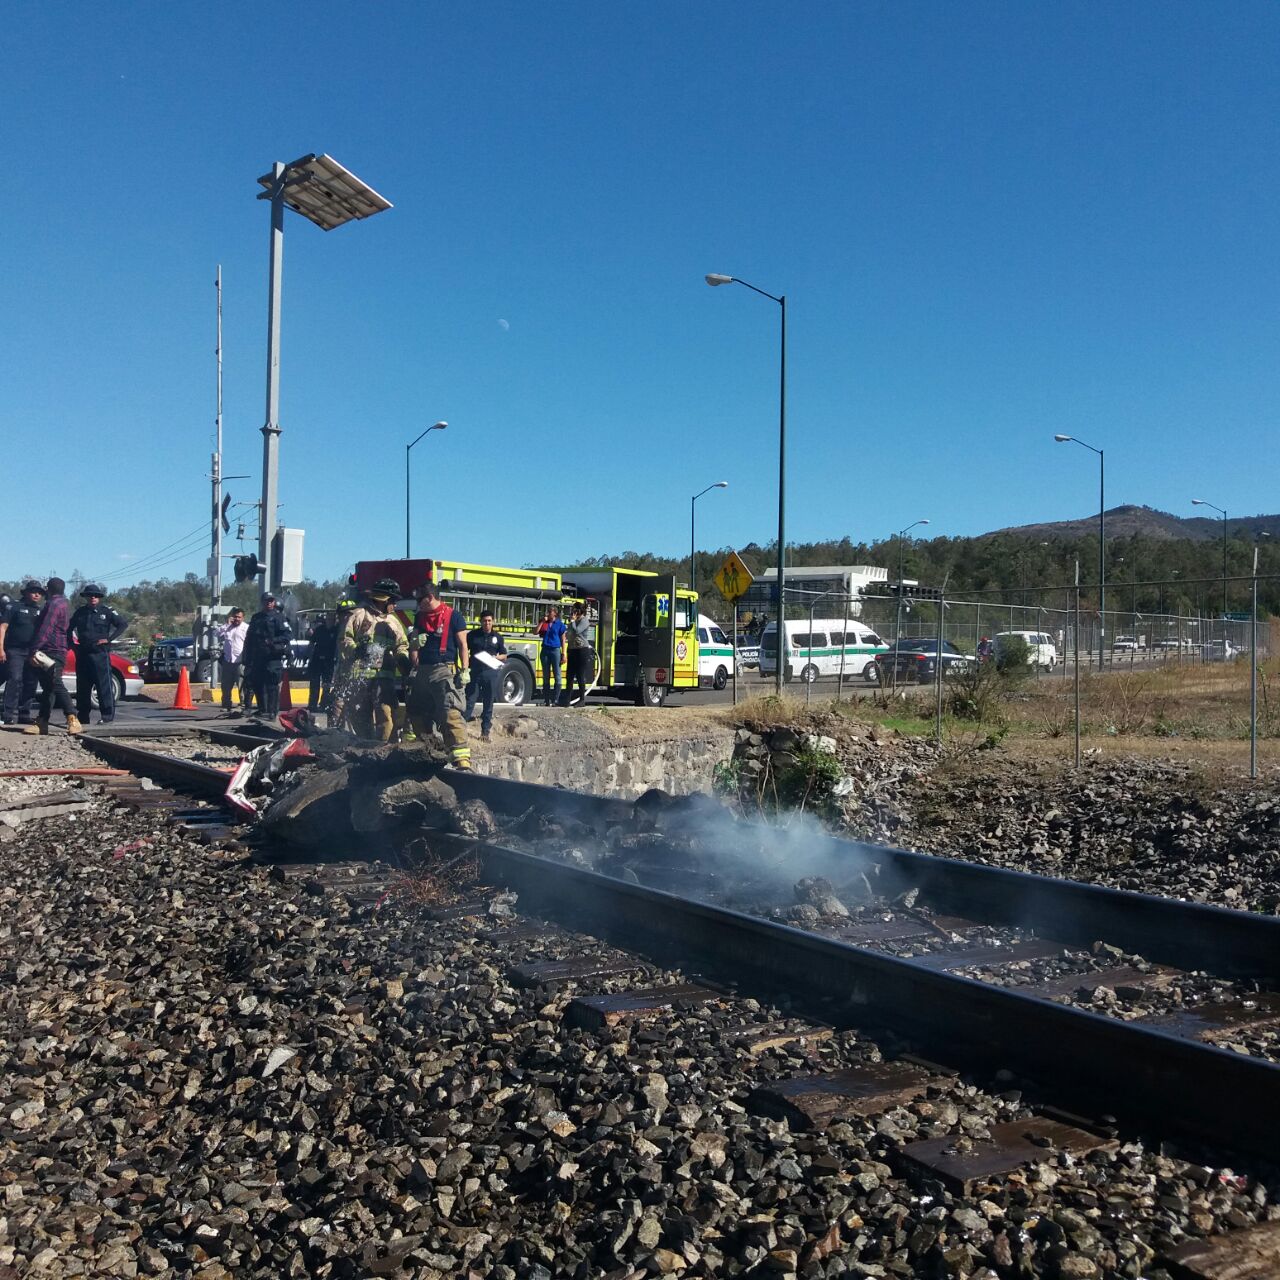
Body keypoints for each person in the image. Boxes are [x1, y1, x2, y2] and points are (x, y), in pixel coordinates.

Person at [407, 582, 471, 768]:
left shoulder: (454, 617)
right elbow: (413, 648)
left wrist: (465, 669)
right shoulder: (420, 617)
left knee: (449, 713)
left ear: (430, 597)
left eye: (420, 599)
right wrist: (415, 644)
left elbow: (463, 645)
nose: (418, 603)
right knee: (417, 713)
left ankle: (462, 761)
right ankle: (425, 753)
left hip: (444, 670)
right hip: (423, 670)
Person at [337, 580, 409, 741]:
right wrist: (355, 650)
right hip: (359, 678)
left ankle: (384, 751)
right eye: (393, 601)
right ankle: (366, 748)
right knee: (360, 717)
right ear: (382, 599)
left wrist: (403, 659)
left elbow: (401, 645)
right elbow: (344, 640)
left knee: (386, 715)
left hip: (384, 680)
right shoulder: (358, 615)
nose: (395, 605)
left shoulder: (393, 622)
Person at [23, 578, 79, 735]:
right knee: (48, 688)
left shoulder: (53, 605)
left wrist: (33, 650)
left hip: (52, 650)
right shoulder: (64, 603)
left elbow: (46, 629)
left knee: (55, 683)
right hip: (55, 649)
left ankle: (72, 716)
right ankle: (42, 721)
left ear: (48, 589)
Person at [68, 584, 128, 725]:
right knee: (82, 687)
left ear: (99, 597)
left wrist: (109, 639)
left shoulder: (106, 611)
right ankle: (83, 717)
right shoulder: (80, 612)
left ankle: (107, 716)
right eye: (90, 595)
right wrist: (72, 645)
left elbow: (122, 624)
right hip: (83, 653)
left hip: (100, 653)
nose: (93, 597)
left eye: (96, 595)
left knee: (103, 686)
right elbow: (68, 628)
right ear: (86, 597)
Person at [0, 581, 44, 726]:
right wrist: (1, 648)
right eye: (33, 591)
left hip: (32, 651)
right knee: (15, 679)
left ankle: (24, 714)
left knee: (30, 682)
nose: (36, 594)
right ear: (26, 592)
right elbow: (3, 627)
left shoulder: (39, 610)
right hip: (15, 650)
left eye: (39, 592)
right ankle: (8, 715)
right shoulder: (14, 606)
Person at [243, 593, 292, 720]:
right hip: (258, 656)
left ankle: (272, 712)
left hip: (272, 656)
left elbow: (287, 636)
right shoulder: (256, 618)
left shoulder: (279, 617)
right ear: (262, 602)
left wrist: (273, 641)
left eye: (271, 601)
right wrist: (247, 657)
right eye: (267, 601)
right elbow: (249, 638)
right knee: (257, 683)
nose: (269, 603)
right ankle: (261, 710)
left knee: (272, 685)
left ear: (274, 602)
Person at [464, 609, 506, 740]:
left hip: (490, 672)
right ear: (480, 622)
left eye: (489, 621)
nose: (487, 623)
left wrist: (495, 657)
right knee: (470, 700)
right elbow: (464, 649)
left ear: (493, 622)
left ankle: (485, 732)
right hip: (475, 672)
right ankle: (460, 729)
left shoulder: (498, 637)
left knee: (488, 702)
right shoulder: (472, 635)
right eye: (484, 621)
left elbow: (504, 655)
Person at [215, 607, 248, 711]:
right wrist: (227, 624)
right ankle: (226, 704)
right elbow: (216, 634)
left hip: (240, 661)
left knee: (241, 684)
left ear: (243, 618)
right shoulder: (227, 627)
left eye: (239, 617)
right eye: (235, 616)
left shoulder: (246, 628)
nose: (237, 619)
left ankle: (243, 705)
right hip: (228, 660)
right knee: (225, 685)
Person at [306, 612, 338, 711]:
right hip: (317, 659)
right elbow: (312, 643)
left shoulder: (337, 631)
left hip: (329, 660)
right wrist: (309, 657)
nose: (329, 620)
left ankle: (324, 704)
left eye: (331, 619)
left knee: (326, 684)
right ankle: (312, 705)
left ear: (334, 620)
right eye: (328, 618)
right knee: (314, 683)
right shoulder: (319, 630)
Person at [564, 602, 594, 707]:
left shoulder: (584, 620)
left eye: (575, 610)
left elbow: (577, 631)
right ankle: (566, 700)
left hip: (581, 650)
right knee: (569, 676)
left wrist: (572, 622)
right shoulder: (574, 621)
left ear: (579, 611)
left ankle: (582, 700)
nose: (573, 612)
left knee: (580, 675)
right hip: (572, 649)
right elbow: (568, 633)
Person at [538, 604, 567, 707]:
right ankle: (546, 700)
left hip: (555, 649)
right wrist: (542, 621)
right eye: (548, 611)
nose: (548, 613)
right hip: (545, 649)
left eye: (550, 611)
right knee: (546, 675)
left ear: (555, 613)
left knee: (557, 674)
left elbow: (563, 639)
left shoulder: (559, 624)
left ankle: (555, 700)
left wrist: (564, 653)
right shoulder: (545, 623)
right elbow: (535, 632)